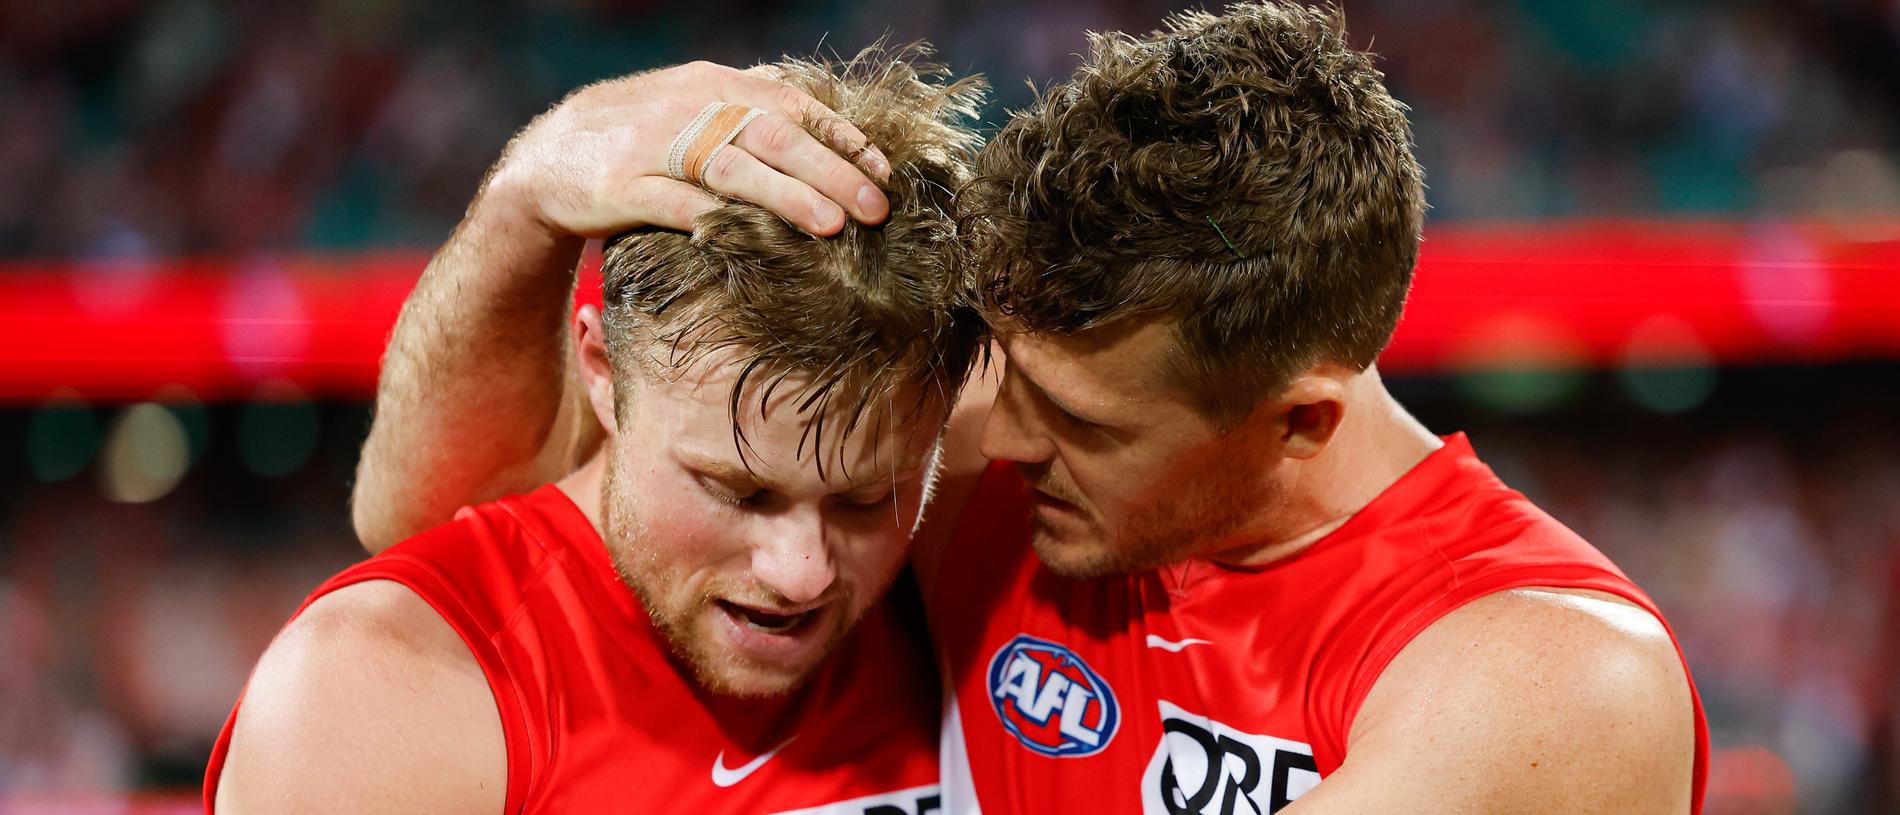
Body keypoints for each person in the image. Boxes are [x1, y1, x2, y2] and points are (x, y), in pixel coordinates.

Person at [350, 4, 1710, 814]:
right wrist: (532, 194)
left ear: (1298, 418)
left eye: (1085, 422)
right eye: (1006, 375)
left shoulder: (1546, 674)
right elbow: (443, 525)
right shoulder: (1008, 443)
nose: (992, 440)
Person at [207, 48, 984, 814]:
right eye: (739, 491)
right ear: (602, 372)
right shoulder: (379, 698)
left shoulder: (993, 564)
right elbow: (404, 514)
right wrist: (526, 192)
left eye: (862, 500)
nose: (802, 571)